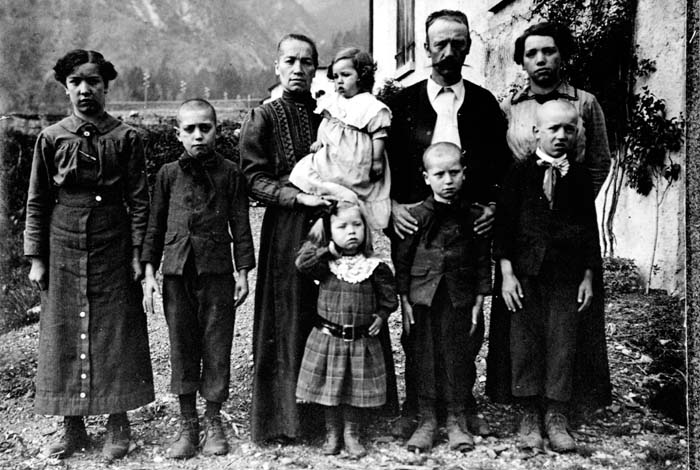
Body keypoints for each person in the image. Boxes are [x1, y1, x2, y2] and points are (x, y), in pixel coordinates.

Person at [386, 9, 512, 437]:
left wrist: (493, 206)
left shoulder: (484, 104)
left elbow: (501, 167)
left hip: (467, 230)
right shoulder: (403, 104)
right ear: (426, 48)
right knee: (418, 322)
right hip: (415, 226)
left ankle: (461, 405)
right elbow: (382, 168)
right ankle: (419, 408)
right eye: (440, 43)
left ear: (468, 46)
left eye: (458, 43)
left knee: (464, 323)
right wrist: (391, 207)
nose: (449, 51)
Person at [24, 49, 154, 460]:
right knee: (63, 328)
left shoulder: (126, 138)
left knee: (115, 328)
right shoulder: (51, 137)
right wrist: (37, 258)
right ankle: (73, 426)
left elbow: (139, 200)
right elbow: (37, 200)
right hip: (62, 240)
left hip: (113, 239)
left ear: (106, 86)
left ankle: (118, 421)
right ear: (65, 88)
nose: (84, 89)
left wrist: (138, 253)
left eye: (93, 81)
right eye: (75, 82)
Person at [486, 21, 612, 408]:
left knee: (567, 321)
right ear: (522, 62)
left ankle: (566, 402)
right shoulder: (510, 106)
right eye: (532, 54)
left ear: (562, 55)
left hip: (569, 228)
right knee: (522, 318)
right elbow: (502, 167)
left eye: (549, 51)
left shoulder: (585, 102)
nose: (541, 59)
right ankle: (521, 399)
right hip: (524, 229)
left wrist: (565, 205)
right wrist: (534, 210)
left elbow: (598, 162)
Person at [141, 99, 255, 459]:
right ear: (178, 134)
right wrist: (149, 272)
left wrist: (243, 272)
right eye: (189, 129)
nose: (198, 135)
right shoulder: (167, 174)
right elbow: (155, 226)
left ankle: (213, 420)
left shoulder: (230, 173)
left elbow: (241, 224)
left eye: (205, 128)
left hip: (217, 272)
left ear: (216, 130)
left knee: (217, 344)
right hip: (177, 272)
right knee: (182, 344)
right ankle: (188, 423)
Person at [494, 100, 602, 452]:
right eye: (553, 128)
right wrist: (507, 274)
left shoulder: (580, 176)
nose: (561, 135)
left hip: (566, 274)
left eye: (569, 129)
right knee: (524, 340)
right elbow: (504, 228)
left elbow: (589, 229)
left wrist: (588, 276)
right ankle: (528, 412)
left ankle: (556, 414)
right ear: (536, 131)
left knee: (562, 340)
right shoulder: (518, 173)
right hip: (525, 273)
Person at [394, 143, 491, 453]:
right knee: (422, 355)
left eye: (454, 172)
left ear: (464, 173)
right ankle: (425, 419)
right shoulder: (414, 216)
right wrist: (404, 301)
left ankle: (455, 418)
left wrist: (479, 299)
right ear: (426, 178)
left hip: (459, 297)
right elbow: (402, 262)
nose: (448, 180)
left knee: (458, 354)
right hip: (423, 299)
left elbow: (482, 260)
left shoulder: (474, 216)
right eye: (439, 174)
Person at [295, 202, 398, 458]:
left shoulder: (374, 267)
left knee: (353, 390)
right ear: (330, 231)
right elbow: (302, 264)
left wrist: (382, 316)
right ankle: (332, 433)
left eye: (357, 225)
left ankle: (352, 433)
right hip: (329, 340)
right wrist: (328, 249)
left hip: (360, 341)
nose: (351, 231)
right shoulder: (326, 265)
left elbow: (389, 298)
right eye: (342, 227)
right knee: (330, 388)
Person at [289, 47, 392, 230]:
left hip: (356, 158)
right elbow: (326, 123)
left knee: (354, 184)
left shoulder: (370, 105)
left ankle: (350, 206)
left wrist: (377, 160)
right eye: (336, 77)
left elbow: (379, 135)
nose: (339, 81)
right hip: (334, 154)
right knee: (314, 170)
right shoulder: (333, 101)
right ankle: (334, 195)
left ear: (362, 75)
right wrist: (319, 140)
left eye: (345, 75)